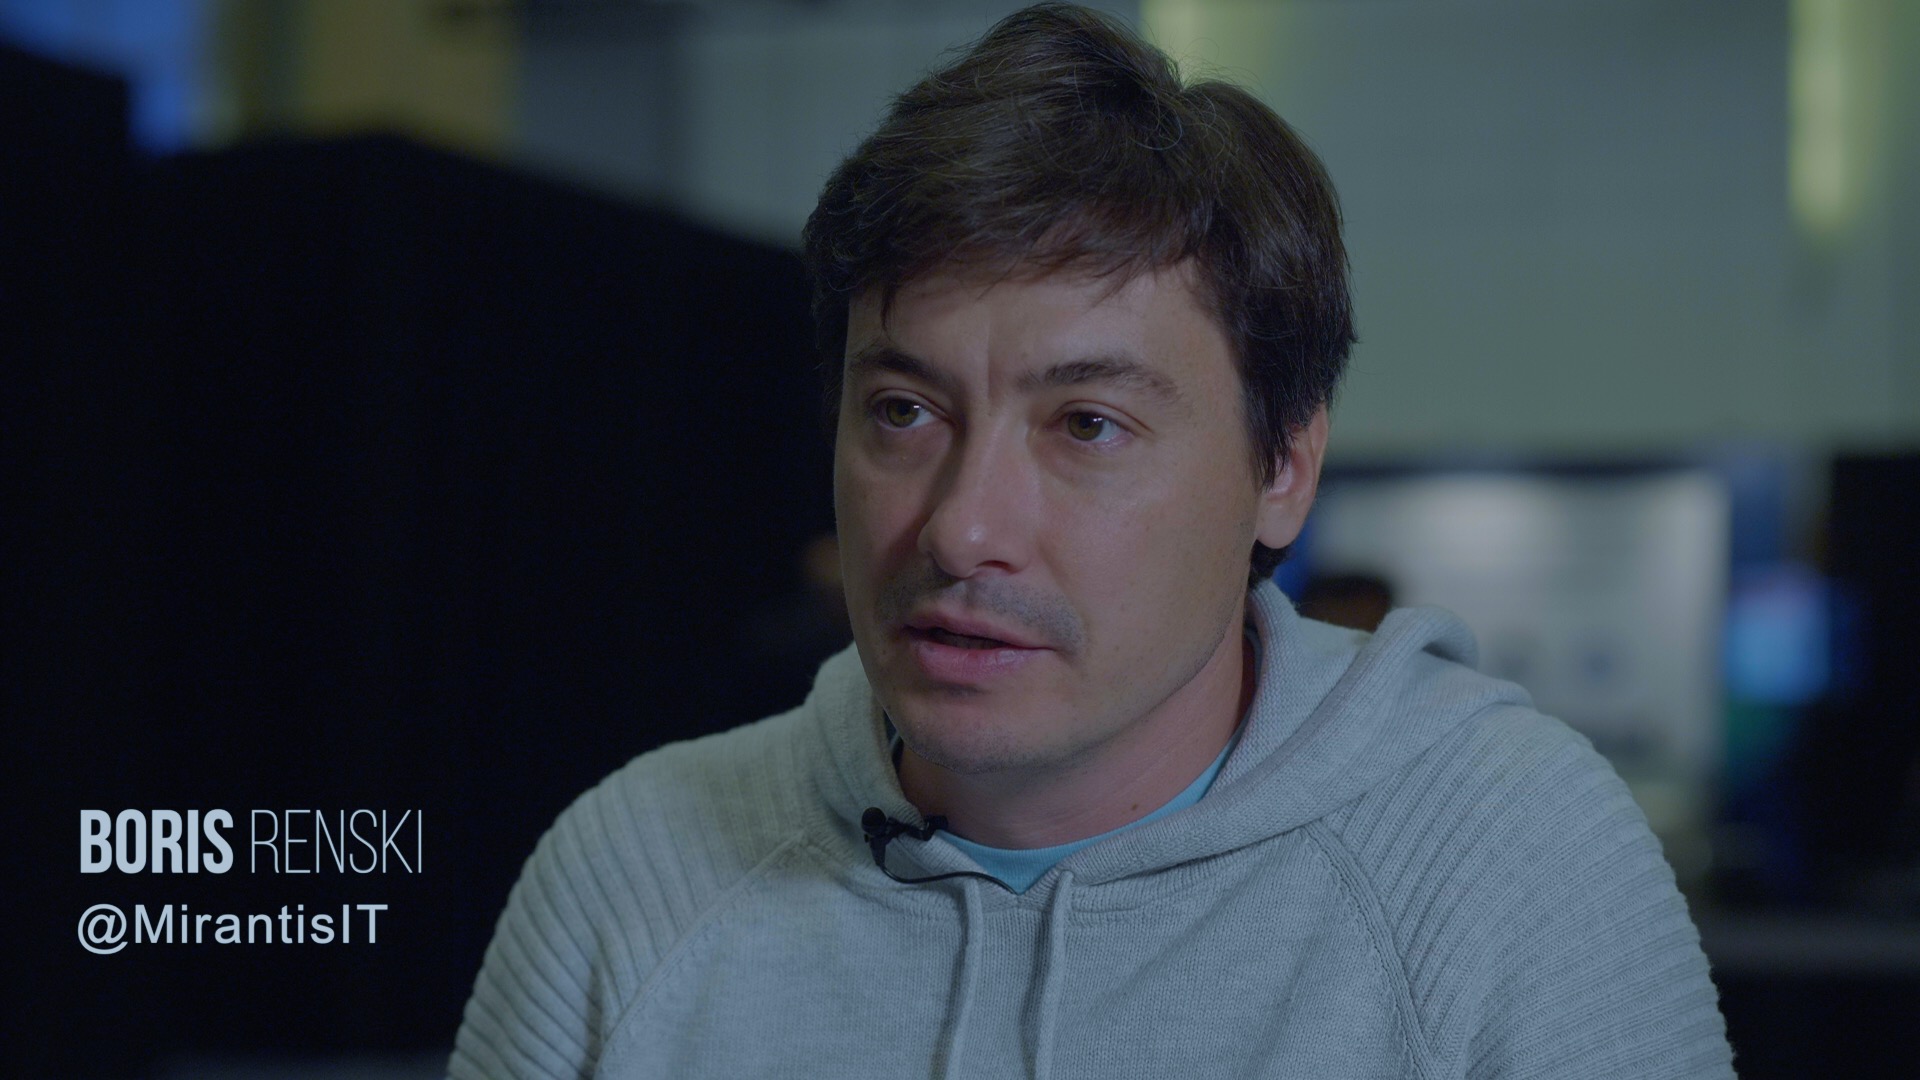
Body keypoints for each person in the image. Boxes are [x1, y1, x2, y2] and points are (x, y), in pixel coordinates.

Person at [449, 5, 1734, 1077]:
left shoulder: (1501, 862)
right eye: (903, 411)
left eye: (1087, 426)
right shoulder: (636, 876)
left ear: (1283, 471)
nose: (962, 528)